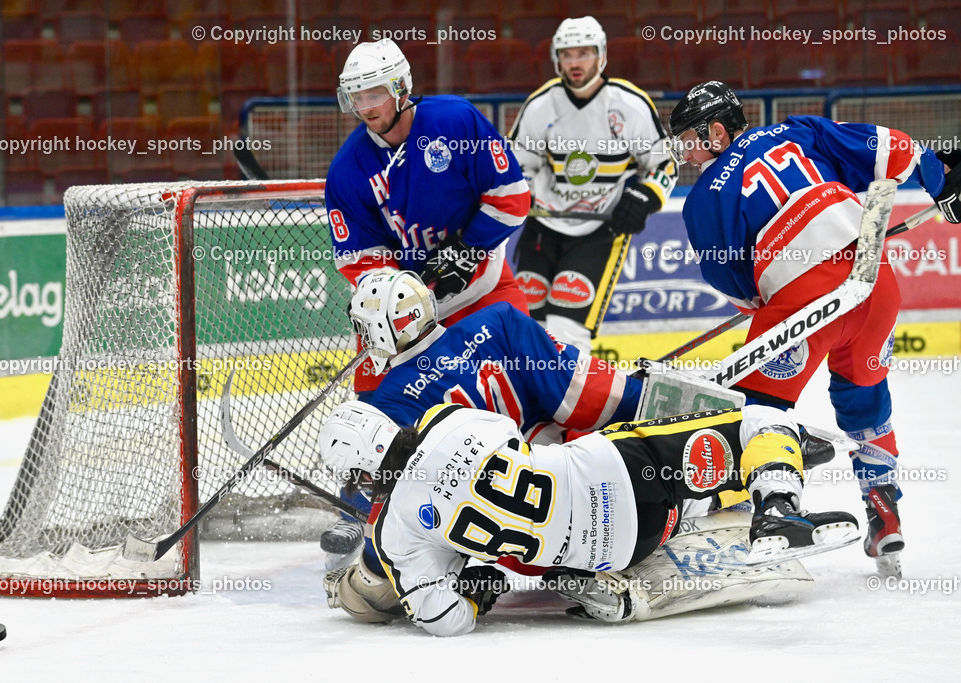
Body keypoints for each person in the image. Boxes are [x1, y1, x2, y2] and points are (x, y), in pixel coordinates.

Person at [668, 80, 961, 575]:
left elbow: (737, 283)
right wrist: (942, 179)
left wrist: (772, 298)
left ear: (715, 131)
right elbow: (894, 149)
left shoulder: (703, 198)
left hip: (802, 298)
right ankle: (884, 510)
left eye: (689, 140)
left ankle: (778, 507)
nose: (685, 153)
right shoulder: (798, 131)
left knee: (758, 406)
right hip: (874, 284)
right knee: (864, 397)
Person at [318, 400, 860, 636]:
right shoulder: (445, 420)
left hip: (621, 549)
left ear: (362, 474)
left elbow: (445, 621)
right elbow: (510, 435)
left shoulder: (396, 534)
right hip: (617, 470)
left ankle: (730, 488)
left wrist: (477, 583)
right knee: (761, 421)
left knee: (517, 553)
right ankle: (775, 505)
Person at [320, 39, 532, 556]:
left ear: (400, 87)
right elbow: (358, 259)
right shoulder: (348, 171)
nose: (366, 106)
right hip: (408, 312)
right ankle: (367, 500)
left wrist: (464, 250)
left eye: (373, 92)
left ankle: (539, 474)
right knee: (376, 393)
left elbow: (513, 198)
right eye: (356, 96)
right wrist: (399, 293)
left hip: (483, 285)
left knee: (527, 372)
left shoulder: (454, 122)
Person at [322, 267, 644, 564]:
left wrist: (372, 564)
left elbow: (402, 508)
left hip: (516, 531)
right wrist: (642, 398)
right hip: (584, 474)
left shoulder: (391, 401)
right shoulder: (500, 319)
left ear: (379, 330)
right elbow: (581, 392)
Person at [508, 16, 678, 352]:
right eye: (567, 54)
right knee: (528, 327)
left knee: (566, 332)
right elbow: (517, 167)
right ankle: (529, 401)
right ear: (557, 59)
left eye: (584, 53)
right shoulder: (541, 105)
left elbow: (663, 164)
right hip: (542, 229)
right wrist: (522, 196)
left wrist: (645, 197)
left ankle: (572, 402)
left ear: (602, 56)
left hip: (599, 234)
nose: (575, 63)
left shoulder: (628, 104)